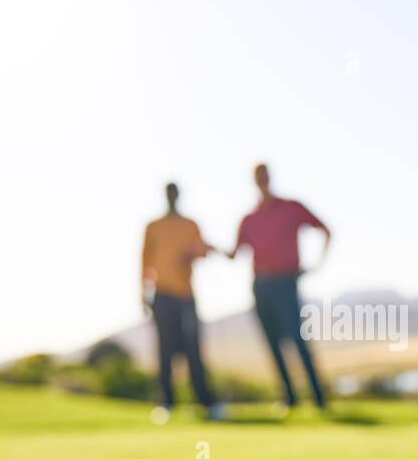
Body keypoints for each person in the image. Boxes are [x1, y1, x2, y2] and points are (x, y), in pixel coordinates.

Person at [227, 163, 330, 408]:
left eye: (265, 176)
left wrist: (315, 265)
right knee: (273, 344)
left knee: (297, 340)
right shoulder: (248, 218)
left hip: (286, 283)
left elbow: (326, 230)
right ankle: (290, 398)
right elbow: (234, 253)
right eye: (258, 177)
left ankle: (318, 398)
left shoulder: (291, 208)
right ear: (254, 180)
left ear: (270, 177)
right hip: (260, 285)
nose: (262, 180)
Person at [141, 182, 224, 417]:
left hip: (185, 295)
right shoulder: (153, 226)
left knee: (193, 349)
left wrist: (196, 252)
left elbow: (201, 250)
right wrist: (143, 292)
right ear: (165, 196)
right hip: (162, 295)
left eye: (174, 193)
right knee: (164, 350)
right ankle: (166, 403)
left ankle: (207, 402)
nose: (171, 197)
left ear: (178, 195)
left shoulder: (190, 225)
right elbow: (144, 260)